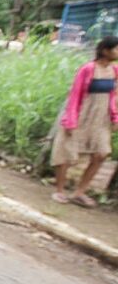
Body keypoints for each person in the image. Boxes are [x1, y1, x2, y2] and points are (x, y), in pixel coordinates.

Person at [50, 36, 118, 208]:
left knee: (101, 153)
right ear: (105, 51)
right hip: (82, 114)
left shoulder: (113, 71)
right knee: (66, 152)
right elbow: (75, 95)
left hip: (101, 118)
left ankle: (80, 192)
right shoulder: (88, 69)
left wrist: (114, 117)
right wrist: (70, 120)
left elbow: (112, 97)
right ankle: (59, 190)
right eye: (116, 49)